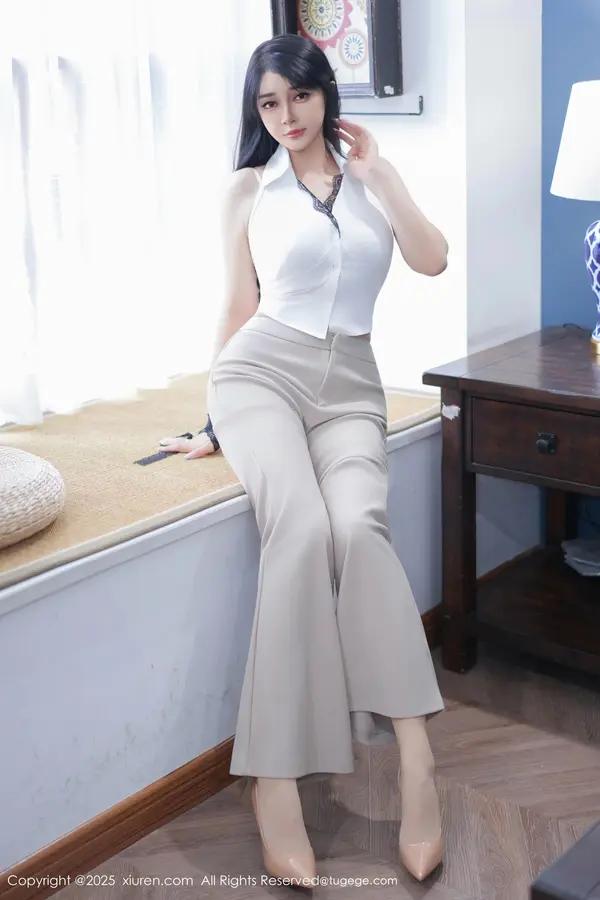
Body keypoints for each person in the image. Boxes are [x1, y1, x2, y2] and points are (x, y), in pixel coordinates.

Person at [158, 33, 449, 886]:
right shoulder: (249, 190)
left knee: (357, 527)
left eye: (299, 97)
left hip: (352, 385)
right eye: (268, 103)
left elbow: (432, 259)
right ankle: (275, 778)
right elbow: (237, 305)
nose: (285, 116)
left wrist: (384, 179)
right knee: (299, 528)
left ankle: (417, 759)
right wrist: (212, 422)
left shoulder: (369, 183)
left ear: (326, 95)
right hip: (259, 375)